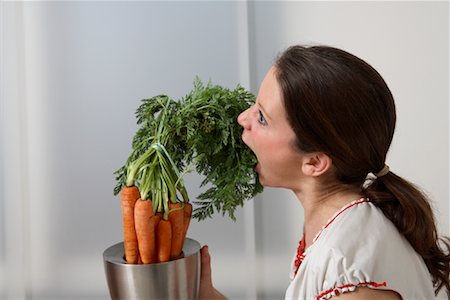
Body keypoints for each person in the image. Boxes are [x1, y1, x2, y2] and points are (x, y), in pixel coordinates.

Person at [198, 45, 450, 299]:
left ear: (315, 162)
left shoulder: (350, 269)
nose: (243, 118)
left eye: (262, 118)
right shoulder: (343, 229)